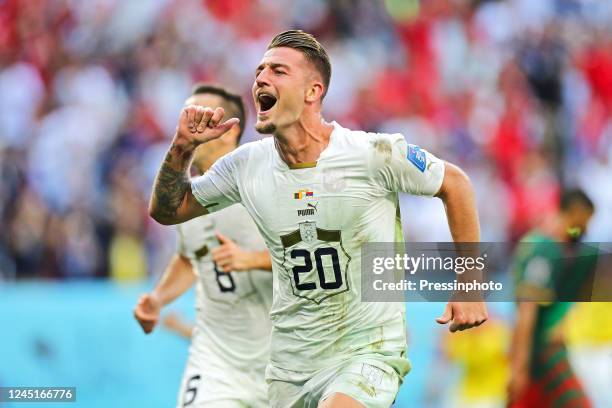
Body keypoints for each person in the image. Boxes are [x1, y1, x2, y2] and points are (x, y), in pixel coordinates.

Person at [148, 30, 487, 408]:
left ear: (313, 91)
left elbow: (455, 183)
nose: (261, 78)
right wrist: (182, 149)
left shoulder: (371, 153)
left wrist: (470, 282)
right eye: (259, 70)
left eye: (277, 71)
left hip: (367, 351)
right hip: (290, 365)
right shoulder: (246, 166)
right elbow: (169, 210)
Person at [134, 84, 273, 408]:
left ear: (230, 130)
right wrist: (158, 298)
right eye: (186, 114)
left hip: (281, 363)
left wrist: (252, 260)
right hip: (216, 364)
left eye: (201, 114)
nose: (189, 122)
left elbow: (314, 255)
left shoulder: (265, 185)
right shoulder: (187, 199)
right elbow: (190, 257)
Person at [508, 188, 597, 408]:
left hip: (534, 352)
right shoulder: (546, 250)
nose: (584, 230)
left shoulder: (536, 242)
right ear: (576, 214)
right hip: (543, 350)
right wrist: (519, 366)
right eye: (584, 222)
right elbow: (528, 310)